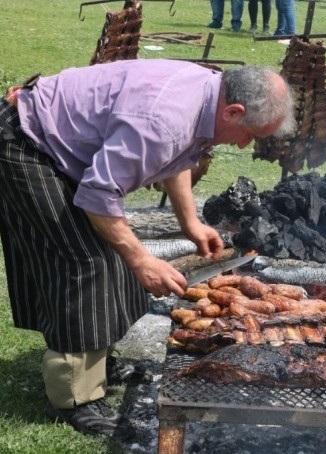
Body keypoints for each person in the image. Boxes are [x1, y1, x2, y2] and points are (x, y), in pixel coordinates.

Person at [0, 61, 294, 436]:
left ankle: (98, 362)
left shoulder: (205, 95)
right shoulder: (163, 119)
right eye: (248, 134)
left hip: (63, 148)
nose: (244, 144)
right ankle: (76, 398)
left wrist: (190, 223)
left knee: (113, 253)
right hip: (27, 141)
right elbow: (99, 193)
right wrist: (140, 259)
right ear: (233, 111)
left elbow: (176, 156)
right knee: (84, 261)